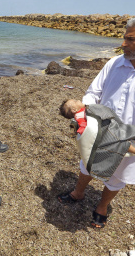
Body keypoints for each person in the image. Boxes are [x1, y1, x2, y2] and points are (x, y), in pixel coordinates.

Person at [57, 18, 135, 228]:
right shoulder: (114, 64)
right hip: (99, 130)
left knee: (119, 176)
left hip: (130, 140)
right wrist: (84, 115)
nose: (123, 44)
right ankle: (78, 192)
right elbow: (94, 92)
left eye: (131, 39)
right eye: (124, 38)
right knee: (88, 163)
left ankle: (102, 206)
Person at [59, 99, 135, 180]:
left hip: (106, 131)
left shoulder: (84, 111)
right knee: (121, 140)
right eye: (74, 101)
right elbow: (86, 130)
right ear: (74, 110)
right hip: (105, 137)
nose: (77, 100)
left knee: (122, 138)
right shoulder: (80, 117)